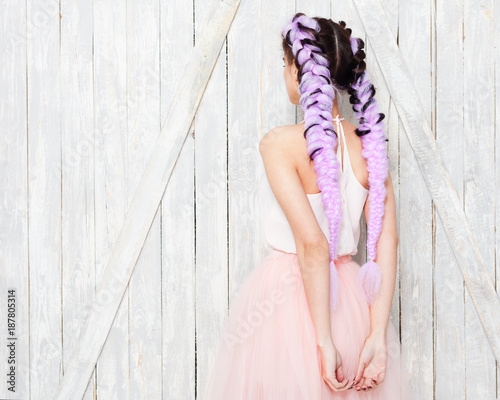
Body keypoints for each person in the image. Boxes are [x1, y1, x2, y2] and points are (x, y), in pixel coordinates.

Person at [201, 13, 412, 399]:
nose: (285, 73)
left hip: (289, 302)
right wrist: (377, 336)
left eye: (286, 64)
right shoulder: (370, 146)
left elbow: (313, 247)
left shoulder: (279, 144)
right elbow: (387, 241)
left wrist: (323, 341)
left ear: (301, 72)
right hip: (350, 303)